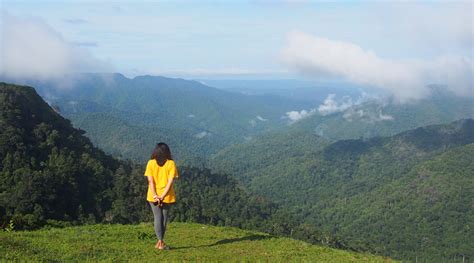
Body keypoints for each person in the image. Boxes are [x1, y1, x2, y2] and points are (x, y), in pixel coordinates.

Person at [144, 142, 179, 250]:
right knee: (163, 218)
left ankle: (160, 242)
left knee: (157, 217)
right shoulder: (171, 164)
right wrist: (162, 196)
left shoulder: (150, 163)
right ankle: (161, 243)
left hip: (152, 195)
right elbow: (170, 182)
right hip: (167, 196)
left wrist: (155, 195)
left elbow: (150, 181)